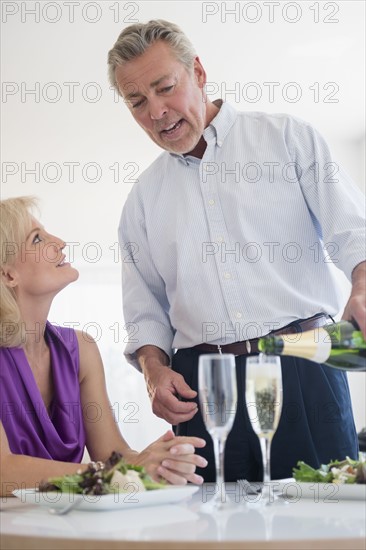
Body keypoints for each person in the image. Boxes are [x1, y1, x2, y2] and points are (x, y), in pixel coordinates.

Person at [107, 20, 366, 482]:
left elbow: (352, 232)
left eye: (165, 88)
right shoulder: (142, 199)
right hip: (204, 387)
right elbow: (144, 310)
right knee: (211, 526)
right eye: (137, 102)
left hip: (303, 366)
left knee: (324, 519)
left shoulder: (288, 139)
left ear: (199, 72)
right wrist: (153, 369)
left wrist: (362, 286)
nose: (157, 112)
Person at [0, 196, 208, 497]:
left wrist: (153, 460)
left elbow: (111, 453)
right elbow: (4, 470)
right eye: (37, 239)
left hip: (65, 523)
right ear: (7, 274)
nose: (59, 242)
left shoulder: (80, 349)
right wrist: (120, 473)